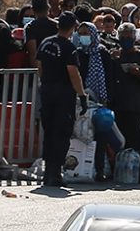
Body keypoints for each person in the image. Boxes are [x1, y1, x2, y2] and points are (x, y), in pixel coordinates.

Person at [36, 12, 86, 187]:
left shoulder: (45, 43)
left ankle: (48, 170)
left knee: (48, 131)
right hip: (63, 93)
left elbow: (39, 67)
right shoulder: (69, 47)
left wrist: (45, 84)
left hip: (47, 90)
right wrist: (82, 95)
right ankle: (55, 173)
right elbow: (73, 73)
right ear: (73, 28)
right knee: (61, 132)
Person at [75, 21, 116, 180]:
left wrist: (107, 98)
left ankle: (99, 170)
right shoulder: (78, 53)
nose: (84, 36)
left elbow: (108, 77)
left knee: (100, 136)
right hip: (81, 99)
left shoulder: (102, 53)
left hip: (100, 101)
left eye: (87, 33)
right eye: (81, 33)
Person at [111, 22, 140, 151]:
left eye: (128, 37)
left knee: (135, 142)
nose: (125, 40)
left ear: (134, 38)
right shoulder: (115, 56)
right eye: (122, 38)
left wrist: (137, 73)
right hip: (118, 106)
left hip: (137, 108)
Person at [24, 0, 57, 67]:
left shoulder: (30, 27)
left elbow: (33, 53)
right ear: (48, 8)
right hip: (57, 67)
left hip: (40, 68)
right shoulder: (57, 25)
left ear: (33, 9)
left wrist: (37, 71)